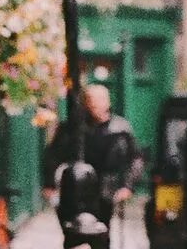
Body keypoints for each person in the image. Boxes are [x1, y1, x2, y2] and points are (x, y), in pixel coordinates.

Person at [41, 83, 144, 211]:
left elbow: (135, 159)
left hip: (109, 190)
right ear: (84, 103)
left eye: (100, 99)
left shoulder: (121, 128)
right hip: (76, 187)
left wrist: (127, 186)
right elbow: (53, 155)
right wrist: (49, 183)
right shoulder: (71, 127)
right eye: (90, 99)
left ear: (108, 102)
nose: (95, 103)